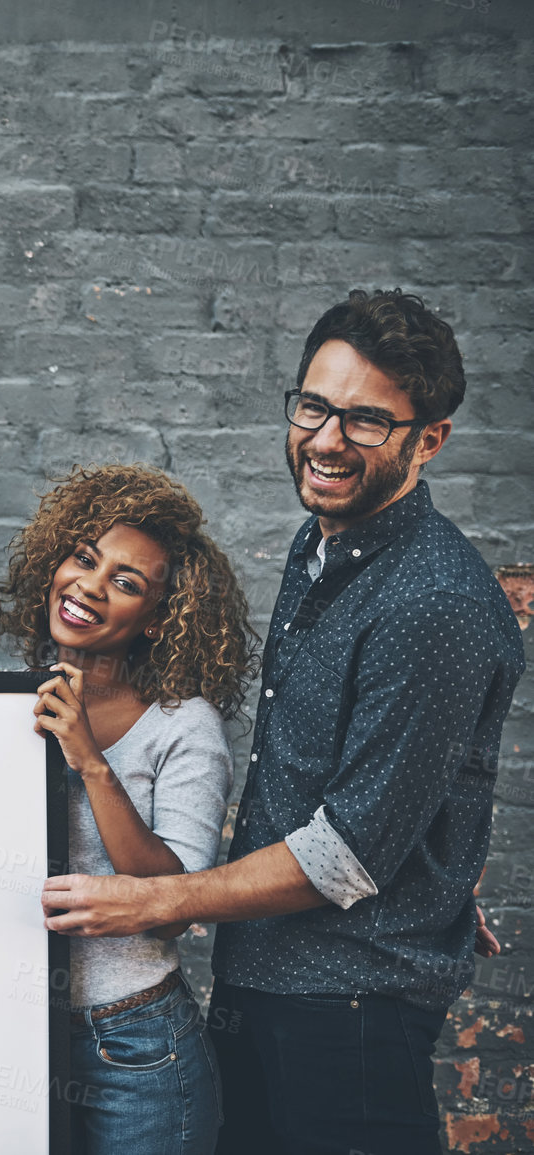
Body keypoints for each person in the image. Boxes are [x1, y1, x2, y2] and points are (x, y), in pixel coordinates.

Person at [40, 291, 525, 1155]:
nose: (327, 439)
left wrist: (152, 900)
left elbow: (349, 852)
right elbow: (375, 787)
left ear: (430, 439)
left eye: (367, 421)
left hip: (349, 1009)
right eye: (314, 406)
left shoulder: (434, 600)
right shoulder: (320, 541)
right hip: (263, 983)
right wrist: (432, 856)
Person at [0, 464, 256, 1154]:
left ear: (157, 619)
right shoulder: (13, 702)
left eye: (125, 581)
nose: (88, 585)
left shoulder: (182, 725)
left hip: (135, 1046)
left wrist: (88, 758)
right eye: (83, 557)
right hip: (16, 1032)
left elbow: (175, 891)